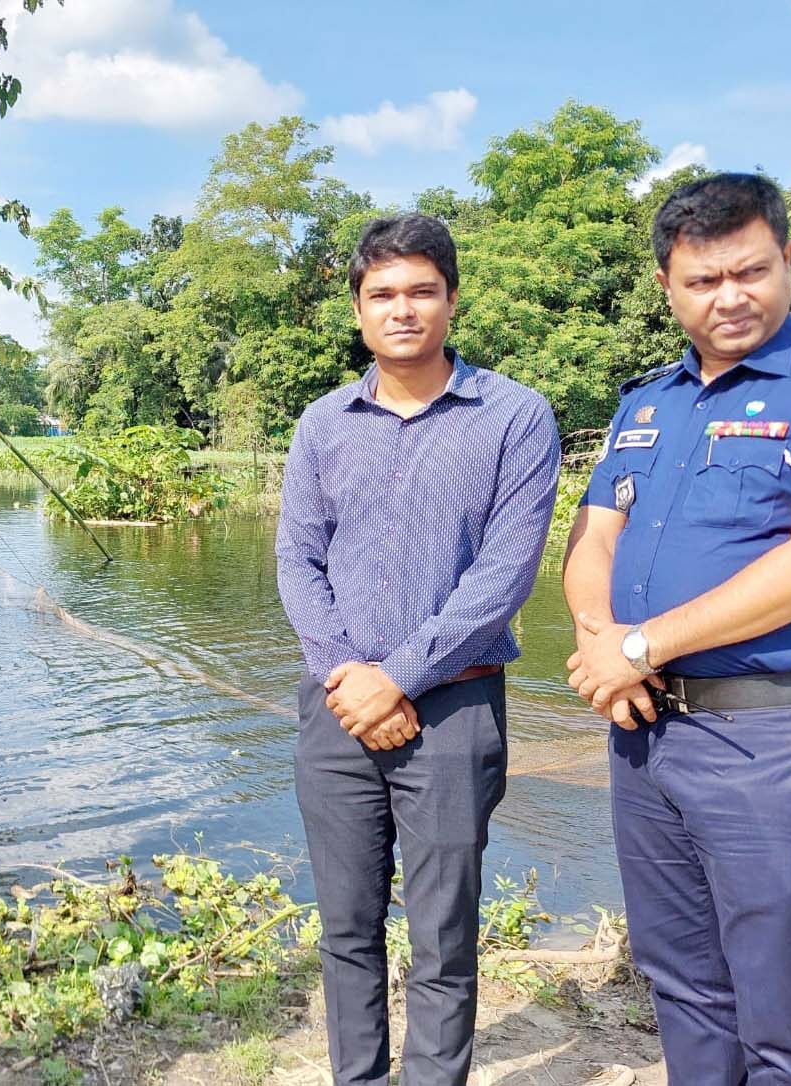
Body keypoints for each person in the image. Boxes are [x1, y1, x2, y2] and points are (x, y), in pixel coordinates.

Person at [563, 173, 791, 1085]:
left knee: (782, 1008)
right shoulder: (647, 402)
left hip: (766, 738)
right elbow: (591, 538)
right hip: (645, 732)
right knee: (682, 983)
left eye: (750, 271)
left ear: (787, 260)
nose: (730, 297)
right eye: (703, 280)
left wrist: (642, 646)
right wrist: (603, 642)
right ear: (667, 287)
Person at [276, 214, 560, 1086]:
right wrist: (350, 675)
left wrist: (396, 678)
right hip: (334, 704)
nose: (403, 310)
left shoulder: (515, 417)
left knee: (443, 934)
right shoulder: (323, 423)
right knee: (347, 928)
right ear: (358, 311)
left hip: (456, 708)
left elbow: (504, 576)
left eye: (421, 291)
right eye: (383, 294)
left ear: (451, 299)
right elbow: (297, 557)